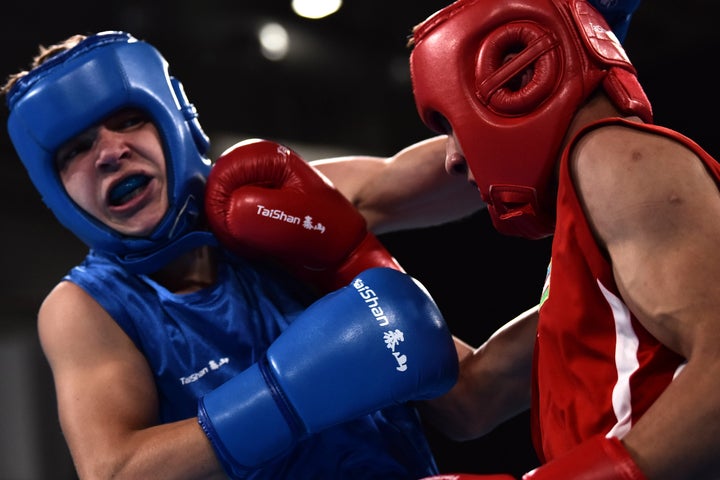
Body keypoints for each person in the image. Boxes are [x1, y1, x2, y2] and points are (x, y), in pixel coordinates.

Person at [2, 31, 465, 479]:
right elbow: (115, 471)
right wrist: (285, 397)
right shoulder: (86, 308)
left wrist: (507, 126)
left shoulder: (269, 201)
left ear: (176, 120)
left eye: (127, 121)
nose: (110, 153)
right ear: (56, 191)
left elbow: (457, 169)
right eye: (78, 149)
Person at [343, 0, 717, 478]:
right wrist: (342, 260)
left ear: (521, 82)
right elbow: (473, 400)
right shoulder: (591, 232)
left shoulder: (619, 158)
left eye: (454, 126)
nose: (452, 160)